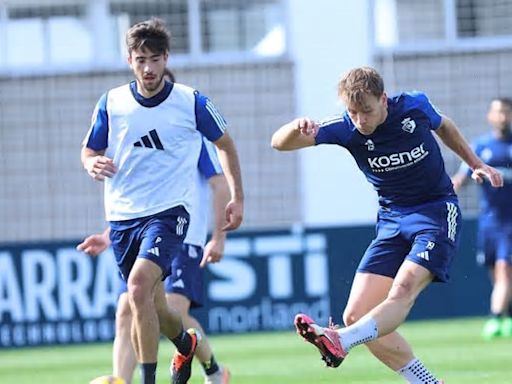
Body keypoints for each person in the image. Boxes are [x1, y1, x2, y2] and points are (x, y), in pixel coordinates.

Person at [271, 66, 503, 383]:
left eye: (366, 111)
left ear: (384, 99)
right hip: (392, 220)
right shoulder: (344, 127)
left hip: (435, 212)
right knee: (354, 316)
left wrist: (476, 164)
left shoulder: (413, 106)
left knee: (403, 290)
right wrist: (294, 127)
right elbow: (279, 143)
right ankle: (426, 381)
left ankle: (341, 340)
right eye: (352, 112)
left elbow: (444, 125)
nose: (359, 121)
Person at [81, 18, 243, 384]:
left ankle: (190, 374)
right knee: (138, 306)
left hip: (179, 227)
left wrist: (219, 233)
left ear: (166, 59)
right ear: (130, 61)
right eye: (141, 60)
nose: (149, 68)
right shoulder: (114, 103)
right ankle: (176, 354)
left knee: (149, 295)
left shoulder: (189, 111)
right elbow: (108, 160)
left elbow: (218, 179)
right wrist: (107, 230)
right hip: (128, 221)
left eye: (155, 59)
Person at [78, 139, 232, 384]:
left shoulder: (192, 131)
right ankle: (122, 380)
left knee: (172, 309)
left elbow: (220, 183)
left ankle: (213, 371)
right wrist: (109, 235)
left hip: (184, 234)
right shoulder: (140, 126)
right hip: (142, 234)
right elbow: (143, 196)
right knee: (126, 309)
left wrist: (218, 237)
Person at [452, 97, 512, 340]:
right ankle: (507, 316)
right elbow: (462, 177)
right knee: (497, 274)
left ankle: (495, 317)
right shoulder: (481, 146)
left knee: (504, 269)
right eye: (498, 112)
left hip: (510, 221)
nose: (503, 116)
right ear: (490, 116)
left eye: (507, 112)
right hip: (489, 222)